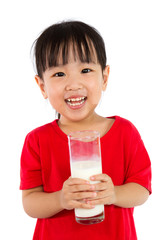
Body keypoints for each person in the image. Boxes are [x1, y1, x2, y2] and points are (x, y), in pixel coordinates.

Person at [20, 20, 152, 240]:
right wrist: (60, 199)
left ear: (105, 77)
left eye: (86, 70)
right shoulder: (37, 140)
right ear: (42, 86)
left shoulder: (124, 132)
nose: (73, 84)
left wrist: (114, 194)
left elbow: (141, 190)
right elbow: (30, 203)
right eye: (59, 74)